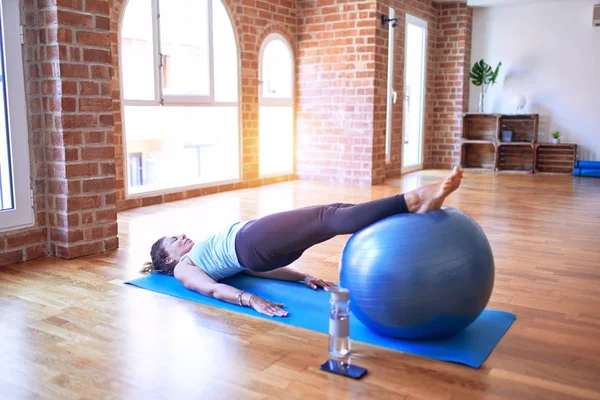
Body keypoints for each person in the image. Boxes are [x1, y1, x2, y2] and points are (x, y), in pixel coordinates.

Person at [142, 166, 464, 317]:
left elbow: (255, 271)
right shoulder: (184, 269)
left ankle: (408, 205)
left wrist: (301, 276)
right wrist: (250, 301)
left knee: (333, 216)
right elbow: (210, 289)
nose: (182, 236)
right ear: (168, 259)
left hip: (259, 252)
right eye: (174, 240)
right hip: (252, 241)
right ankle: (413, 200)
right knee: (330, 215)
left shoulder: (202, 260)